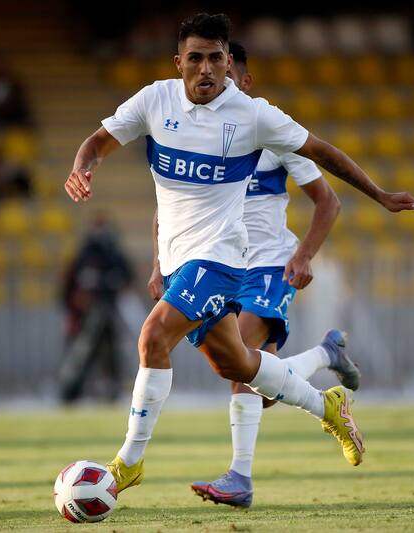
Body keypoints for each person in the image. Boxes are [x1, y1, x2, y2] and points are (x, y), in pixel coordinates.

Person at [64, 13, 414, 497]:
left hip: (223, 259)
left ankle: (130, 462)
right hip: (178, 261)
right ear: (179, 63)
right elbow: (98, 142)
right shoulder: (154, 100)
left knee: (152, 337)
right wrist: (82, 167)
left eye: (217, 58)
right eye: (196, 58)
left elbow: (323, 154)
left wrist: (381, 195)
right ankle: (328, 404)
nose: (207, 69)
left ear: (229, 61)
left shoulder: (253, 115)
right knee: (239, 366)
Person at [143, 41, 360, 508]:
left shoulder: (275, 135)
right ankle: (325, 358)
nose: (218, 86)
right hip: (215, 262)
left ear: (243, 81)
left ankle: (240, 477)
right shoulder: (199, 135)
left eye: (228, 77)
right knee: (251, 379)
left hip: (267, 265)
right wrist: (160, 263)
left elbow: (328, 200)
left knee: (245, 372)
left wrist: (302, 256)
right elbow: (172, 205)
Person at [58, 213, 134, 404]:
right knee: (81, 352)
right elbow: (70, 288)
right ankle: (71, 390)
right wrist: (74, 309)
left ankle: (111, 389)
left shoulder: (114, 254)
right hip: (86, 317)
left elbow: (126, 278)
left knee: (109, 354)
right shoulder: (85, 255)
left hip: (109, 314)